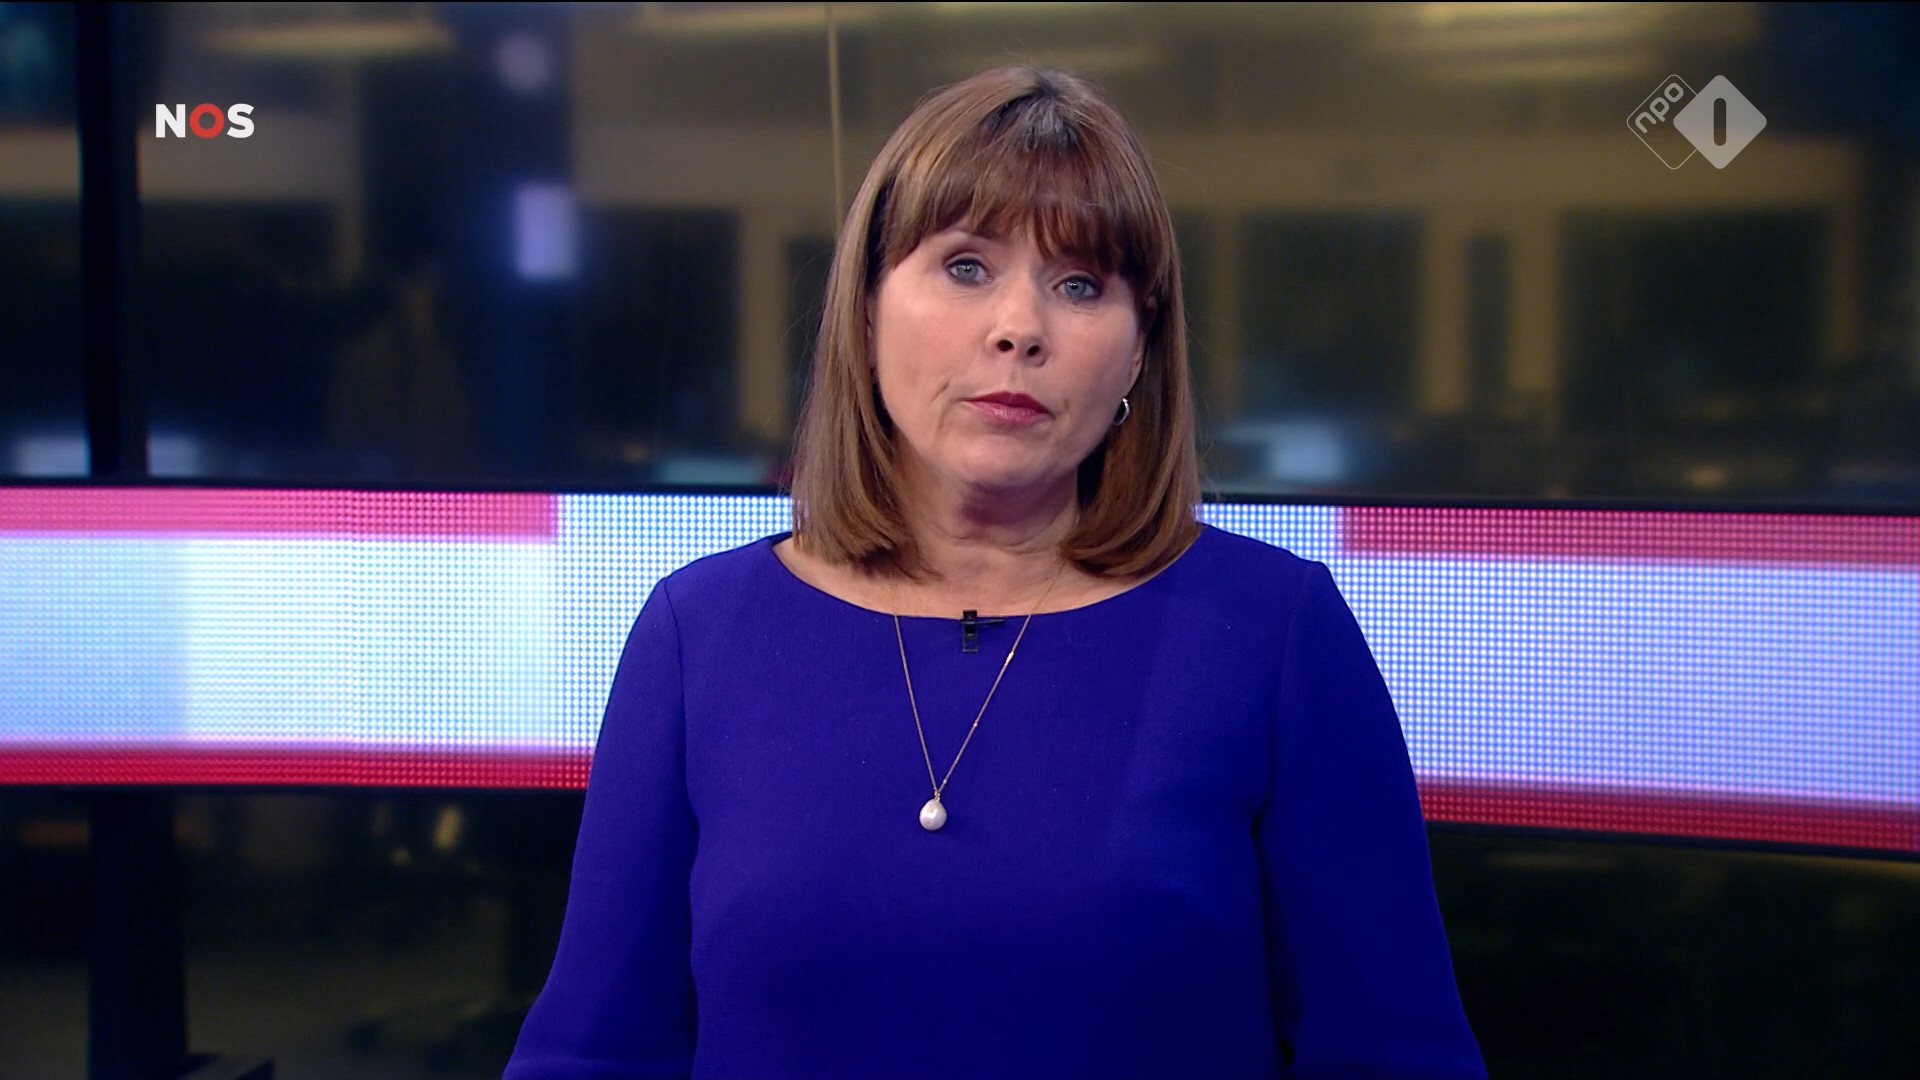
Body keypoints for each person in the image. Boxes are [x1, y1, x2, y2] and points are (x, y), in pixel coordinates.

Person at [504, 67, 1487, 1079]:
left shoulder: (1273, 636)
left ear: (1138, 352)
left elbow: (1396, 1056)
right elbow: (592, 1054)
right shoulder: (698, 634)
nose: (1020, 327)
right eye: (966, 267)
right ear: (867, 311)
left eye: (1080, 285)